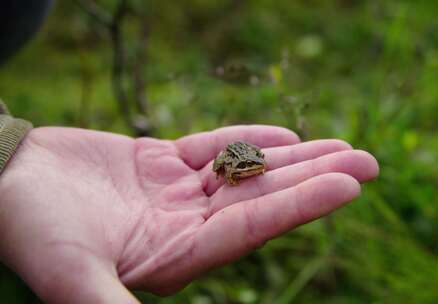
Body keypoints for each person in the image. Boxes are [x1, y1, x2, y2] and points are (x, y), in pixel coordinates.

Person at [0, 2, 379, 303]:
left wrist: (12, 147)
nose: (254, 169)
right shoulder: (233, 168)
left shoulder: (253, 163)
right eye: (250, 167)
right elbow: (228, 168)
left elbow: (253, 162)